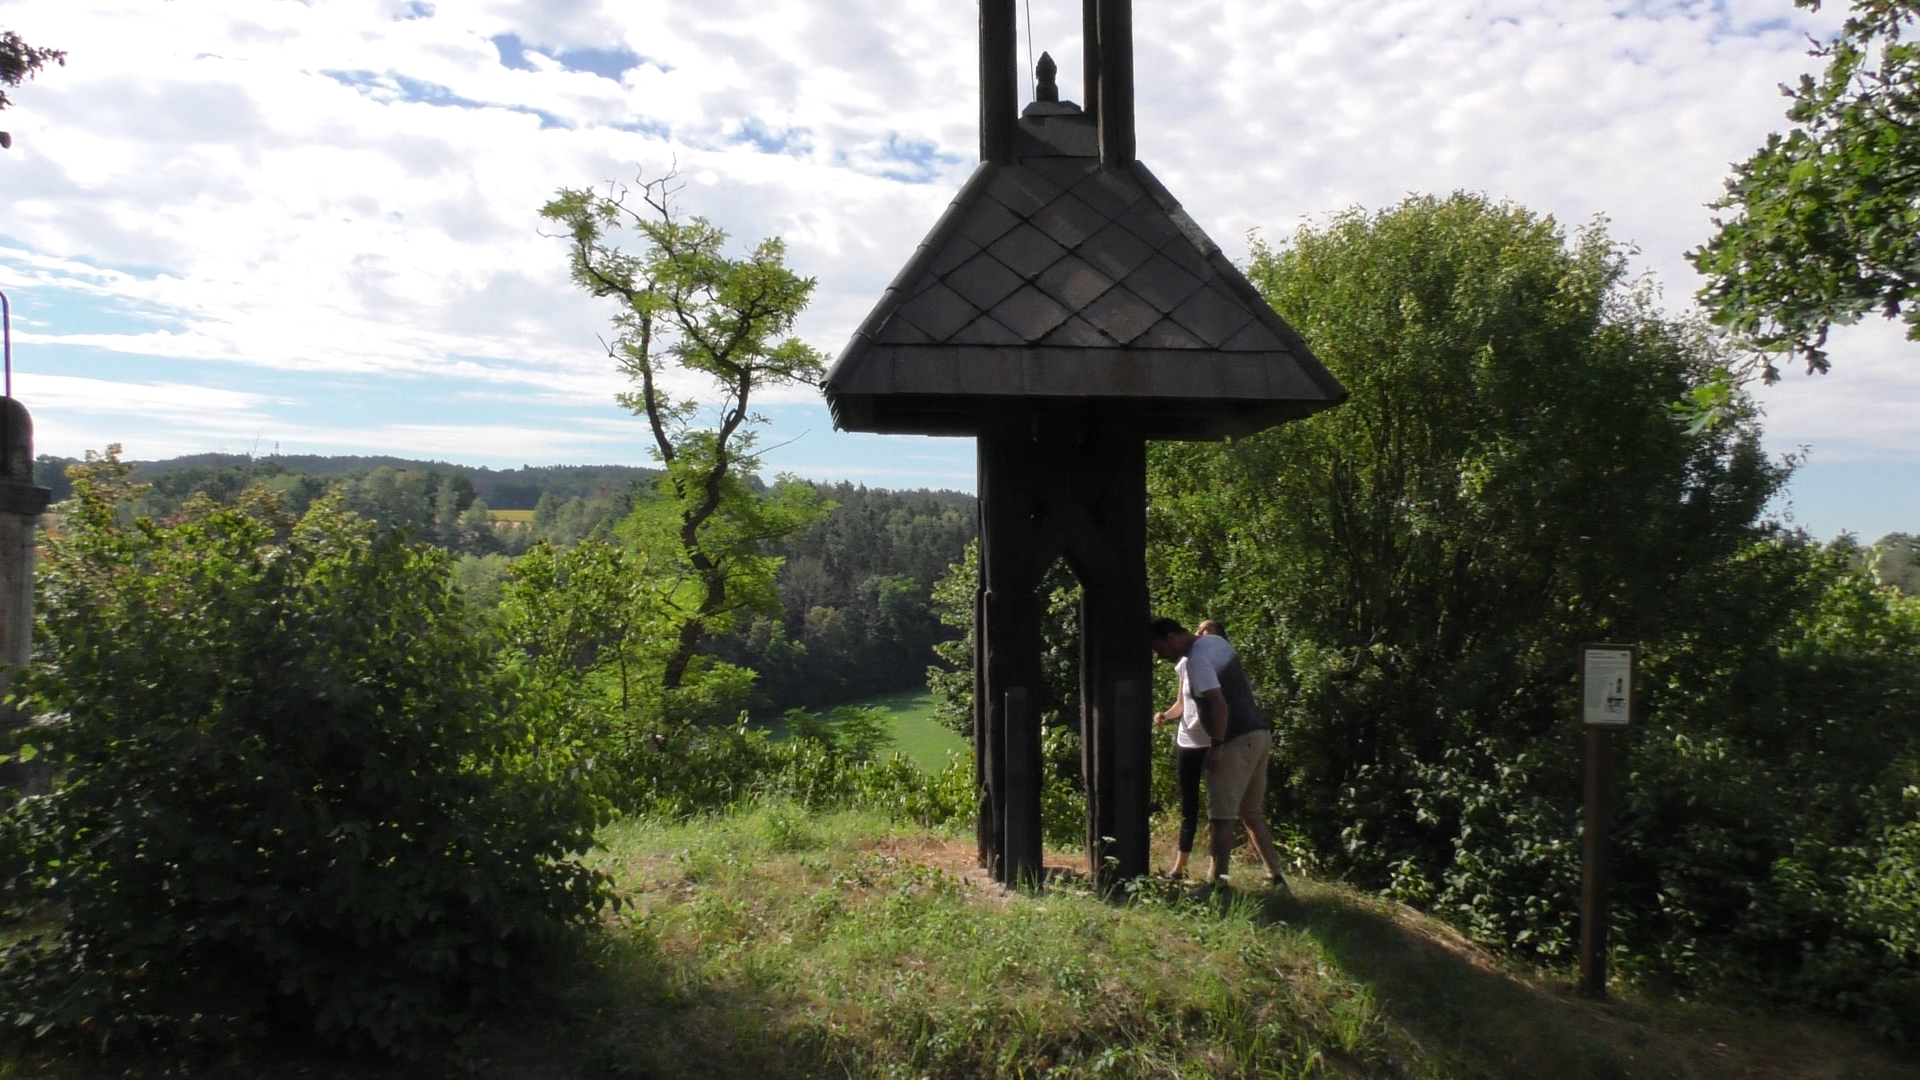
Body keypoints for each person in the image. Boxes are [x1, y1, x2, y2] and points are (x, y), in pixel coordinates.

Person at [1149, 617, 1288, 892]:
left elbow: (1219, 706)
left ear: (1171, 637)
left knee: (1221, 815)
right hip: (1259, 734)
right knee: (1251, 811)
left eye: (1158, 648)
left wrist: (1217, 746)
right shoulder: (1216, 643)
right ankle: (1275, 875)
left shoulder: (1197, 660)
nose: (1160, 656)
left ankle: (1216, 883)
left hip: (1236, 739)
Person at [1152, 622, 1221, 879]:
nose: (1201, 634)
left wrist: (1219, 742)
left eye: (1207, 631)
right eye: (1199, 630)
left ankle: (1217, 871)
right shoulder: (1184, 664)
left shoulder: (1215, 662)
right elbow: (1182, 704)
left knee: (1219, 807)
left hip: (1211, 741)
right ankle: (1179, 868)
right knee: (1189, 805)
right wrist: (1165, 715)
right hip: (1187, 740)